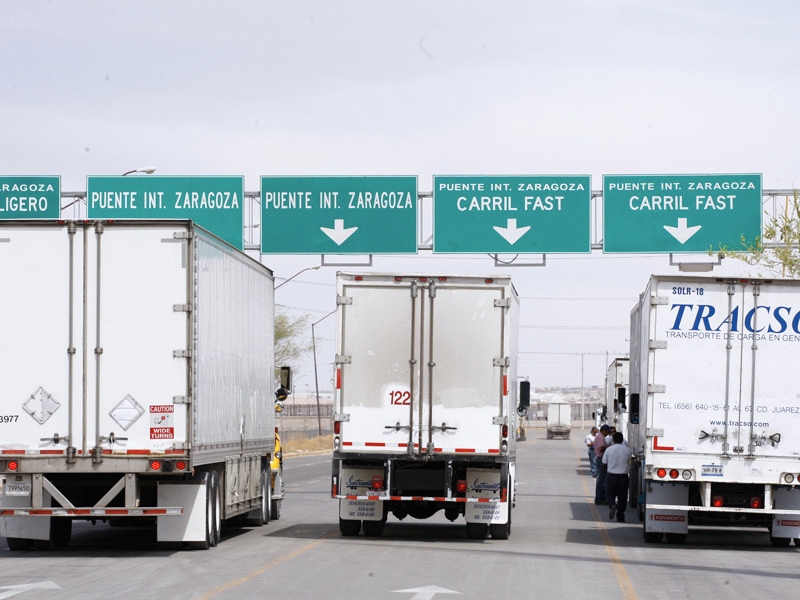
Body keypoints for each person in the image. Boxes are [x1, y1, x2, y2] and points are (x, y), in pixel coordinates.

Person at [603, 431, 632, 522]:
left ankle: (612, 505)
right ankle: (620, 516)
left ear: (613, 440)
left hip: (612, 476)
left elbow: (604, 463)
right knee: (622, 497)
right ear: (622, 440)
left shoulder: (609, 449)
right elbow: (629, 461)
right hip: (623, 476)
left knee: (609, 494)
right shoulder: (627, 450)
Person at [594, 424, 610, 504]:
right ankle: (599, 498)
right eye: (607, 432)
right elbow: (601, 448)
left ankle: (600, 498)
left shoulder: (599, 436)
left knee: (602, 479)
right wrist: (608, 446)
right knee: (601, 480)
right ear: (604, 430)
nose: (607, 434)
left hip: (599, 458)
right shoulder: (601, 437)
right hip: (601, 459)